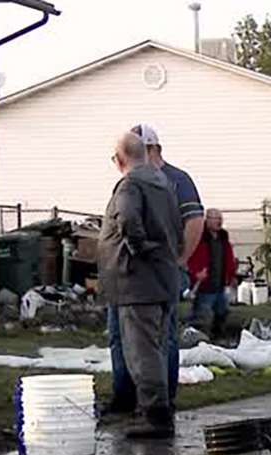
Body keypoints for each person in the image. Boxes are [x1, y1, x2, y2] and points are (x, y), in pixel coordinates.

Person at [104, 124, 204, 415]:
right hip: (140, 276)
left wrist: (178, 259)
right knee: (126, 338)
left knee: (150, 343)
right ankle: (129, 397)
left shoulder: (159, 181)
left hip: (141, 277)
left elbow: (190, 221)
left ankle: (156, 405)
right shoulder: (157, 182)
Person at [98, 132, 182, 438]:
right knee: (156, 347)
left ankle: (155, 416)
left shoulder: (130, 185)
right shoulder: (164, 184)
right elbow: (177, 228)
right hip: (162, 278)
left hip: (137, 283)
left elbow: (129, 218)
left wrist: (136, 248)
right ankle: (158, 408)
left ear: (119, 159)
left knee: (141, 351)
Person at [186, 209, 236, 336]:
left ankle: (218, 338)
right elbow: (189, 258)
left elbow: (229, 259)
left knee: (222, 312)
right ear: (207, 220)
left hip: (219, 284)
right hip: (204, 285)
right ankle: (196, 339)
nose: (219, 222)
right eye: (216, 219)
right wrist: (195, 273)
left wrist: (231, 277)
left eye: (220, 219)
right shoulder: (199, 238)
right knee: (201, 315)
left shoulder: (223, 239)